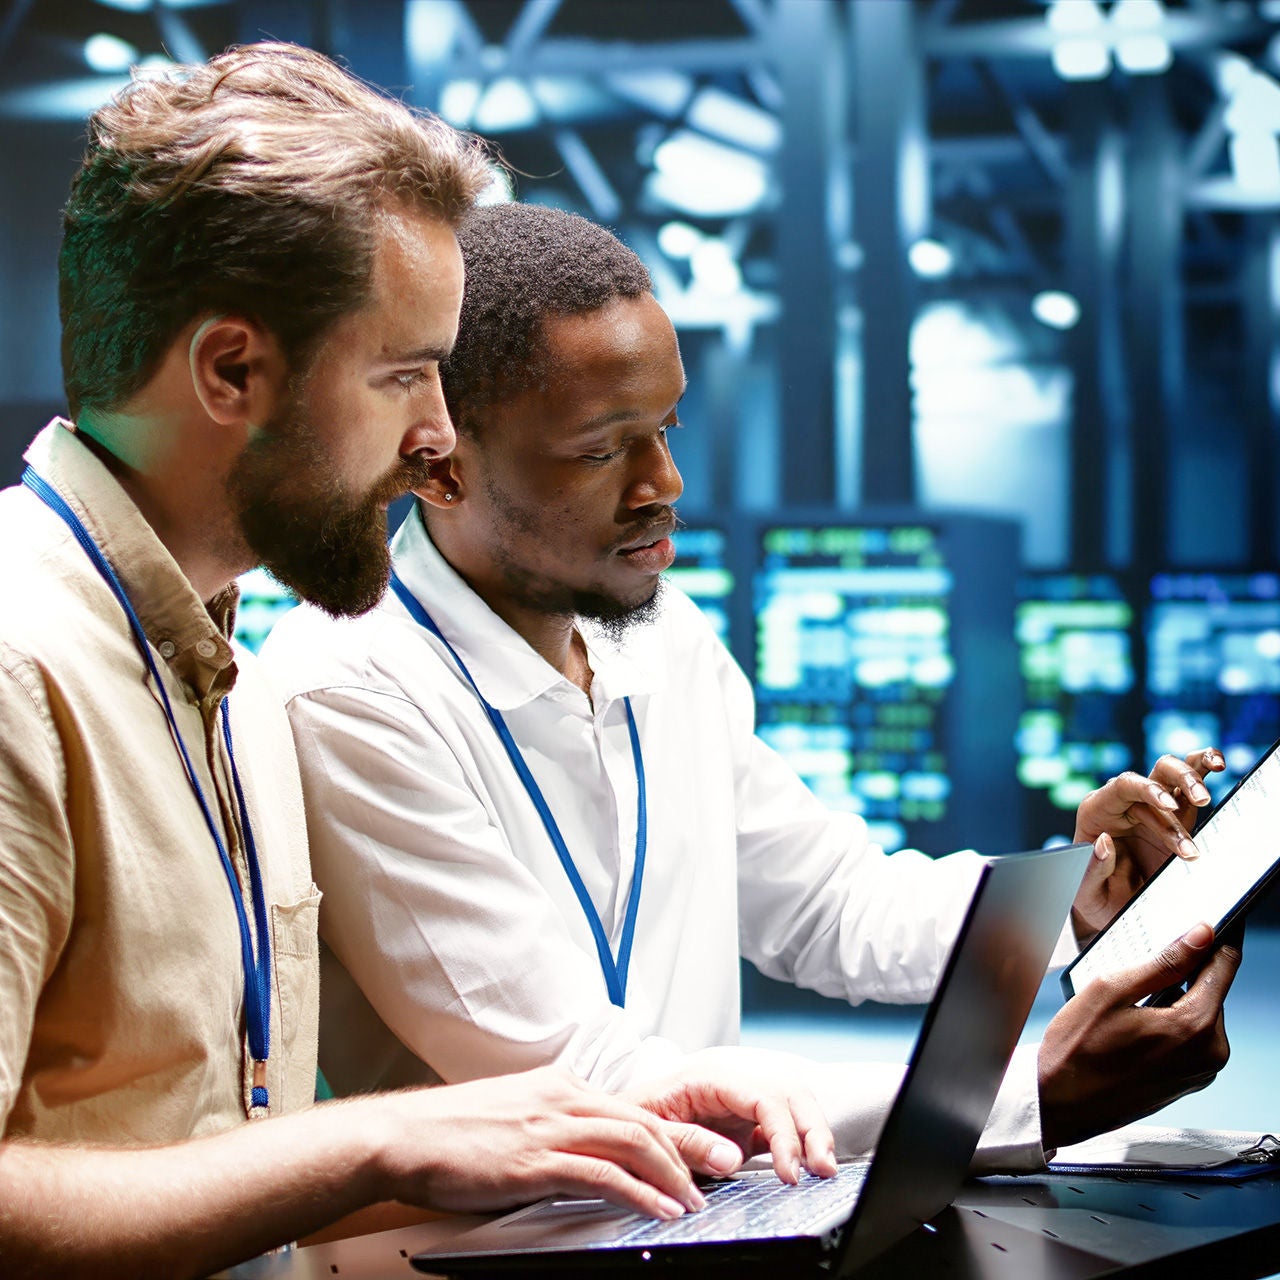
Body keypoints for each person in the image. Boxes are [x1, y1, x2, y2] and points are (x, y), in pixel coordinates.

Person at [0, 48, 838, 1280]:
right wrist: (381, 1141)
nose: (438, 433)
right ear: (232, 369)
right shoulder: (25, 668)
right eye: (403, 373)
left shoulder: (216, 660)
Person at [261, 201, 1240, 1164]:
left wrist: (1077, 893)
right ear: (439, 466)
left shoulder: (663, 640)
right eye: (601, 448)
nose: (663, 483)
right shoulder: (349, 693)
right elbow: (593, 1081)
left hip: (705, 1224)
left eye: (665, 426)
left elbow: (832, 905)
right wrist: (1027, 1093)